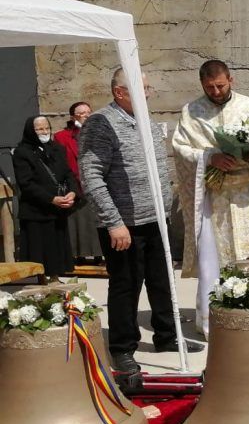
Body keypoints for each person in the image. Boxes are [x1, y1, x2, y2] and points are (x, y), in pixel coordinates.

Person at [80, 68, 197, 374]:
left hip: (156, 219)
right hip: (124, 224)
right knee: (125, 286)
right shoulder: (101, 123)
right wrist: (113, 222)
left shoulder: (145, 120)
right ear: (120, 92)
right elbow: (91, 175)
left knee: (162, 282)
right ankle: (123, 347)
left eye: (148, 87)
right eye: (141, 88)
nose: (149, 93)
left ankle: (167, 336)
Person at [172, 60, 249, 337]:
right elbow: (180, 150)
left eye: (220, 85)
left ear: (231, 80)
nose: (216, 92)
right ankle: (216, 322)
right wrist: (210, 157)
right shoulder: (192, 111)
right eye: (209, 87)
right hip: (216, 197)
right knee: (213, 259)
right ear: (202, 85)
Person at [13, 115, 78, 279]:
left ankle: (55, 278)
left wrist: (72, 191)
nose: (45, 132)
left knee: (56, 244)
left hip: (58, 209)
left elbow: (68, 173)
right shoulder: (22, 152)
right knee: (39, 247)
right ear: (31, 131)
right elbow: (26, 183)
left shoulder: (57, 148)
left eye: (47, 128)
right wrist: (51, 199)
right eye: (40, 129)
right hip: (37, 209)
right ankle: (42, 280)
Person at [53, 101, 105, 264]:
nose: (86, 116)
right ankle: (78, 256)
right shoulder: (62, 136)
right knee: (77, 222)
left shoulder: (98, 133)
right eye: (82, 113)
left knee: (97, 221)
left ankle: (99, 254)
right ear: (73, 116)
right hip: (75, 185)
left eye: (88, 112)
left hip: (96, 182)